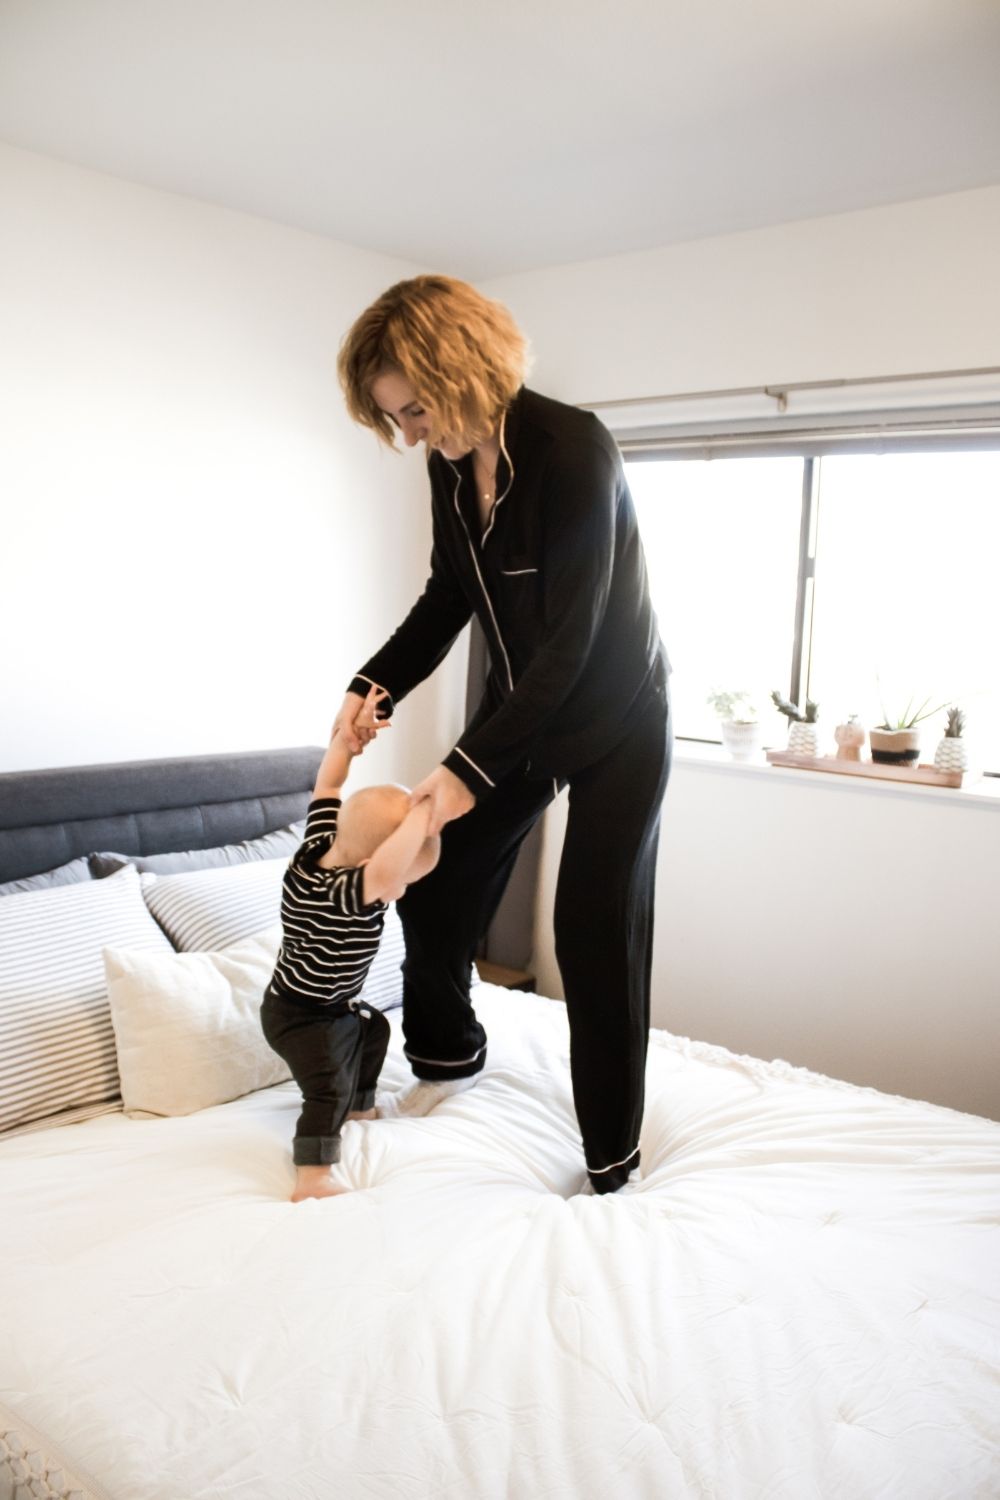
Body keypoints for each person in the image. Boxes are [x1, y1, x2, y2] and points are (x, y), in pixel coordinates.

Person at [334, 276, 672, 1195]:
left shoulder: (574, 451)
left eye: (412, 410)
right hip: (525, 707)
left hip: (617, 719)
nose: (408, 435)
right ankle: (449, 1059)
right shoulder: (450, 467)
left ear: (460, 366)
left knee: (592, 925)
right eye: (392, 419)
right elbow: (450, 597)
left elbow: (571, 646)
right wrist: (371, 685)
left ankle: (612, 1159)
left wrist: (460, 771)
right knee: (437, 883)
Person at [260, 685, 441, 1202]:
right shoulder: (340, 893)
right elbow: (385, 871)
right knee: (325, 1087)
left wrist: (345, 741)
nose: (400, 892)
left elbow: (328, 784)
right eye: (404, 883)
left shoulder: (324, 843)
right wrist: (422, 818)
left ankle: (361, 1106)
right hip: (298, 1015)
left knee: (375, 1030)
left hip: (335, 1005)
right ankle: (312, 1175)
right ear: (374, 872)